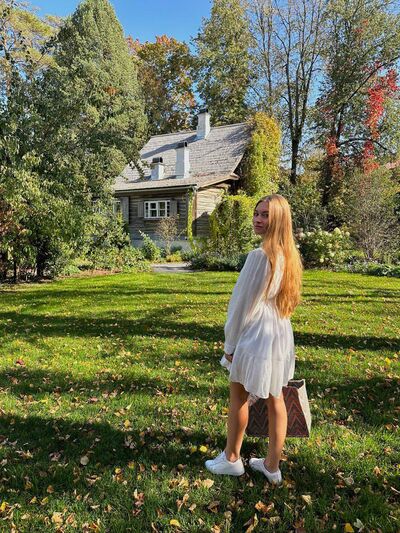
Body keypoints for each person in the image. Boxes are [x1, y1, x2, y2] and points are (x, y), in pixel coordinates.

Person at [205, 194, 303, 485]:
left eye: (265, 215)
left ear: (279, 220)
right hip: (279, 333)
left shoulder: (259, 256)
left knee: (239, 396)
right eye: (257, 213)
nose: (258, 219)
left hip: (257, 333)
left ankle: (231, 458)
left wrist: (230, 345)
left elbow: (240, 305)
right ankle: (272, 465)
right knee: (276, 397)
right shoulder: (289, 256)